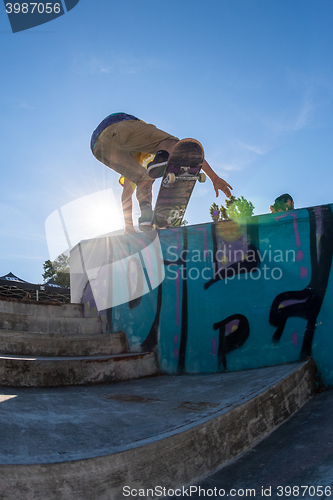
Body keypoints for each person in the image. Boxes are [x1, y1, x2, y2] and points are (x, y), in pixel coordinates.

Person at [90, 113, 233, 230]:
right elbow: (185, 149)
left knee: (143, 180)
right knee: (170, 142)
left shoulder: (136, 160)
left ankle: (146, 218)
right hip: (118, 124)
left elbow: (126, 194)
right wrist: (214, 178)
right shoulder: (145, 147)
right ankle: (161, 160)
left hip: (99, 148)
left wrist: (129, 228)